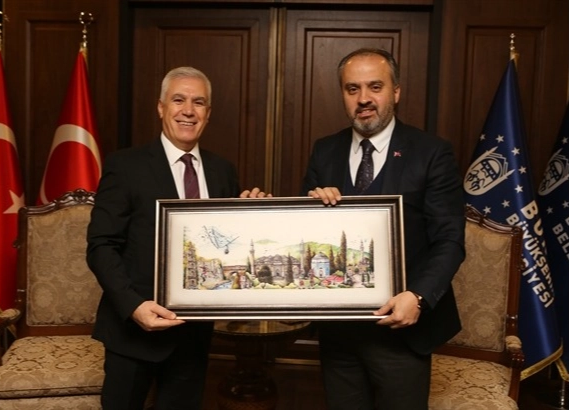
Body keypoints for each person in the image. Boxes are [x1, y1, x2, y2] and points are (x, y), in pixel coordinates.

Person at [86, 66, 266, 409]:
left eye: (198, 102)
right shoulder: (125, 166)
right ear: (161, 107)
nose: (188, 110)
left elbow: (226, 245)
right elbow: (100, 246)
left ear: (208, 113)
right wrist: (134, 306)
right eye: (179, 100)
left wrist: (253, 217)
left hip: (192, 337)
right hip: (133, 333)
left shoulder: (222, 171)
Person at [301, 48, 466, 409]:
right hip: (339, 333)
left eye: (375, 87)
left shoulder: (431, 152)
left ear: (396, 91)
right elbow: (305, 232)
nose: (363, 98)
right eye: (352, 89)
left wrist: (418, 296)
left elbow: (450, 239)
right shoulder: (324, 151)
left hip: (403, 332)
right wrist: (311, 206)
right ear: (343, 95)